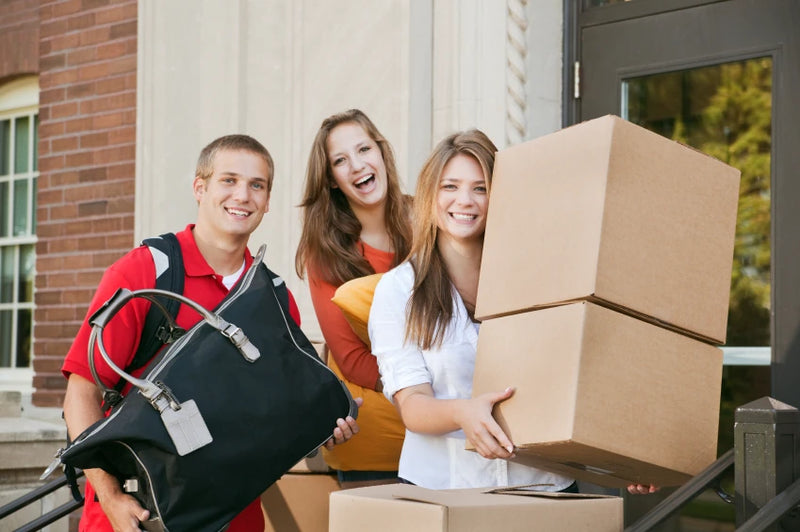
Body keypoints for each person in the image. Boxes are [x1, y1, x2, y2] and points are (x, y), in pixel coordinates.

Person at [62, 134, 360, 532]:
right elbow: (81, 394)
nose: (243, 195)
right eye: (229, 180)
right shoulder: (144, 273)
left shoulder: (272, 298)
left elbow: (271, 415)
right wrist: (111, 497)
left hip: (232, 517)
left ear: (268, 202)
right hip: (137, 515)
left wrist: (324, 425)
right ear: (199, 188)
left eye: (257, 185)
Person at [370, 129, 659, 495]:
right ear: (430, 194)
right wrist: (463, 412)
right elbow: (413, 405)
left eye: (481, 188)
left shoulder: (544, 277)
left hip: (543, 486)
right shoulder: (399, 290)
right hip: (445, 488)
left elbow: (586, 378)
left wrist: (626, 455)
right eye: (450, 187)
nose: (466, 200)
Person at [295, 109, 411, 488]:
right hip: (374, 438)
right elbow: (354, 360)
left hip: (447, 432)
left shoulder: (427, 217)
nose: (357, 165)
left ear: (381, 152)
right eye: (340, 160)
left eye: (364, 149)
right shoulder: (324, 252)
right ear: (330, 180)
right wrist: (429, 392)